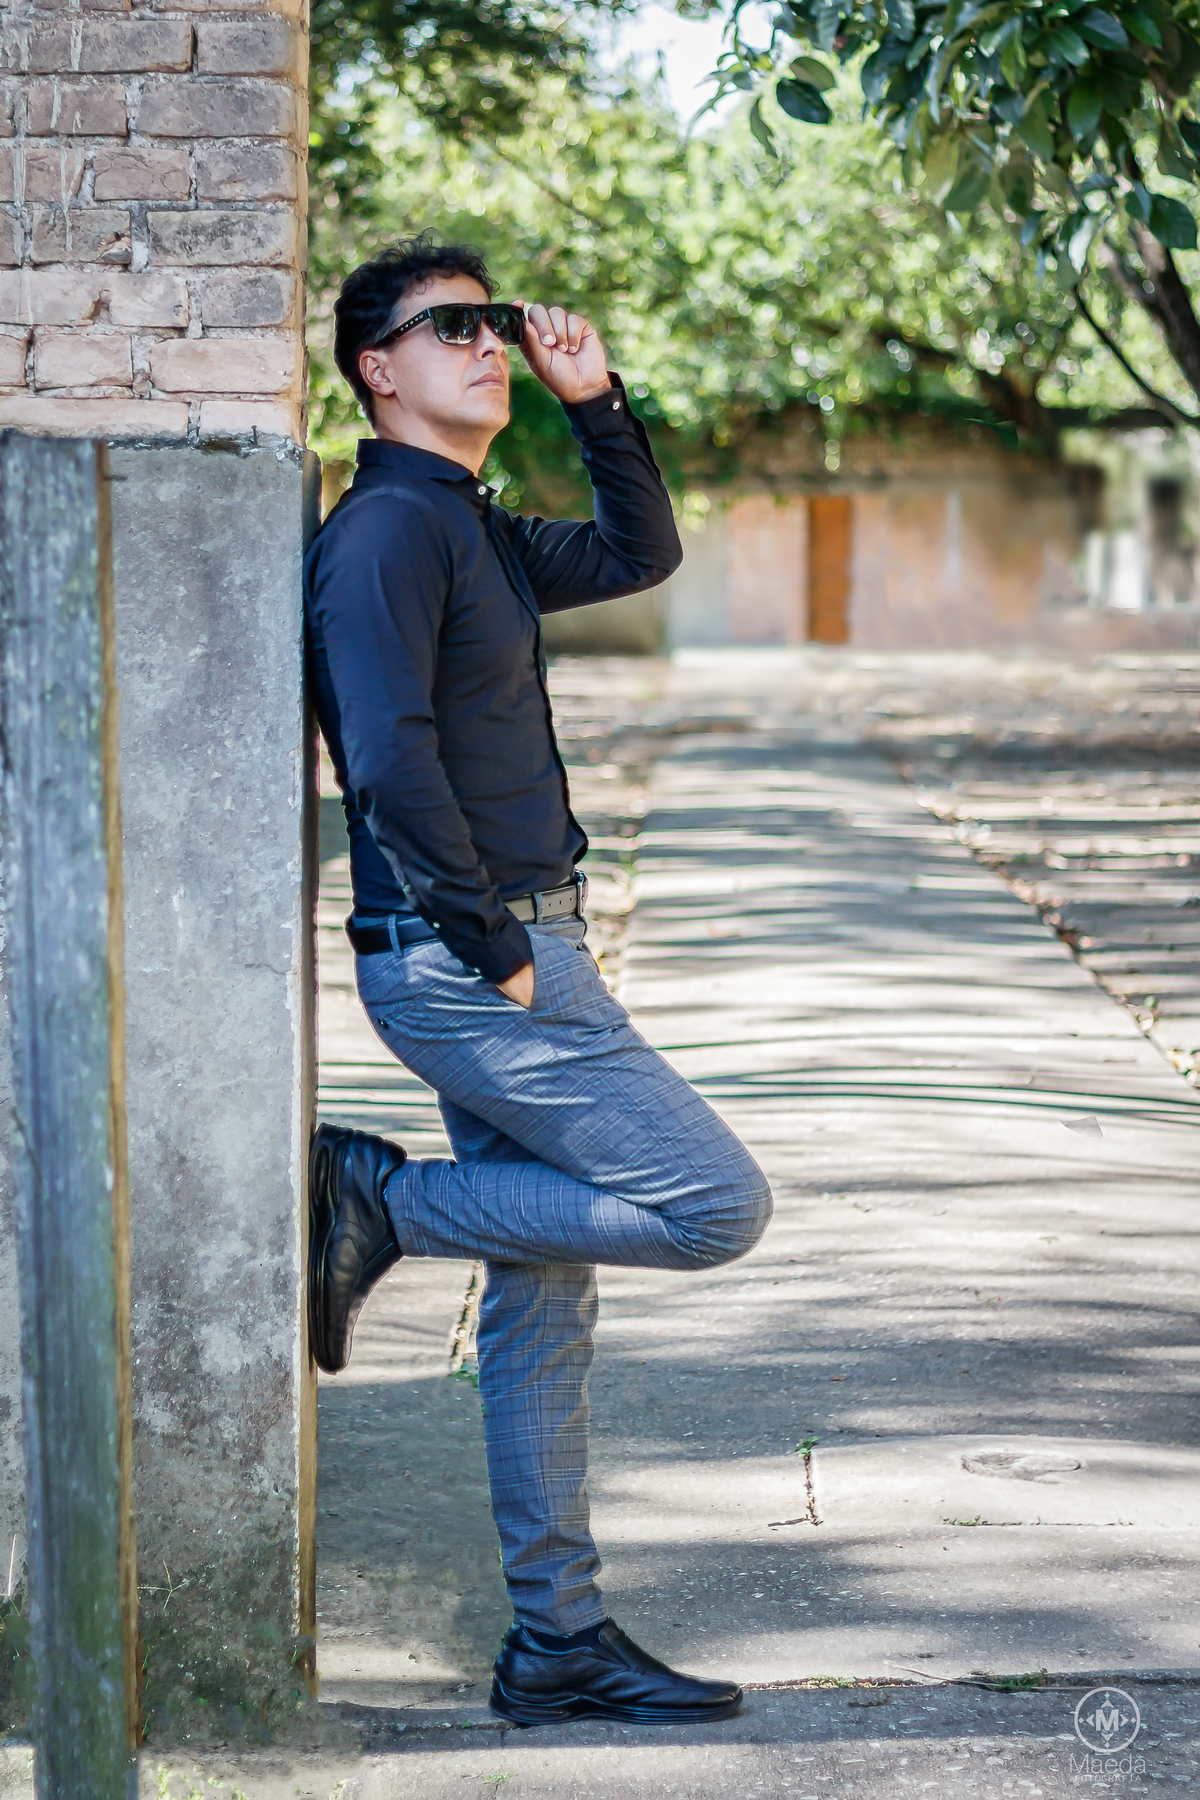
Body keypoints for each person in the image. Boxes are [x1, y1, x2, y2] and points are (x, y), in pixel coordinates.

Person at [304, 231, 773, 1727]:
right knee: (712, 1205)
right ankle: (381, 1201)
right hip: (473, 959)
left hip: (509, 947)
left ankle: (555, 1639)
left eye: (493, 323)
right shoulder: (387, 534)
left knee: (543, 1300)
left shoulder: (473, 526)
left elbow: (640, 554)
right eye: (451, 327)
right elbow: (386, 760)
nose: (487, 344)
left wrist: (597, 400)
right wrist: (497, 948)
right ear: (377, 369)